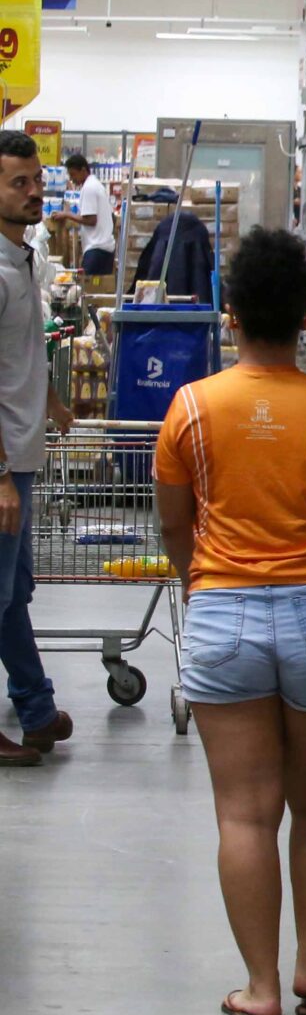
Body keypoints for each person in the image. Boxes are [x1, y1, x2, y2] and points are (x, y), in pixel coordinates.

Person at [152, 228, 306, 1015]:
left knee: (244, 813)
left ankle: (260, 985)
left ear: (232, 315)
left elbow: (174, 524)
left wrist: (204, 579)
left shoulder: (191, 408)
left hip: (222, 614)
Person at [0, 132, 77, 767]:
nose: (33, 193)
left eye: (36, 181)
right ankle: (33, 708)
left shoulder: (23, 258)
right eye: (18, 183)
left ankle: (36, 710)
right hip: (4, 464)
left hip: (22, 455)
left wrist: (50, 400)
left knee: (13, 594)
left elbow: (21, 349)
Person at [65, 154, 116, 278]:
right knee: (101, 288)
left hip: (96, 250)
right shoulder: (96, 185)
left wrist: (67, 214)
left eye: (73, 175)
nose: (72, 179)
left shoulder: (89, 188)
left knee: (88, 288)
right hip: (105, 249)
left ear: (83, 170)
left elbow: (91, 220)